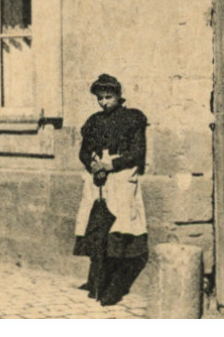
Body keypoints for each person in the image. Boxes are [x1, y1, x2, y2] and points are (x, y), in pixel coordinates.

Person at [73, 73, 149, 306]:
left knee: (119, 230)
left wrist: (112, 164)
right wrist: (93, 164)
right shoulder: (94, 121)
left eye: (108, 97)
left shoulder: (132, 119)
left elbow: (137, 153)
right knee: (97, 230)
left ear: (118, 96)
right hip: (98, 181)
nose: (104, 102)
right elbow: (84, 151)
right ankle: (98, 283)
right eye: (100, 98)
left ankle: (115, 288)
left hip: (122, 179)